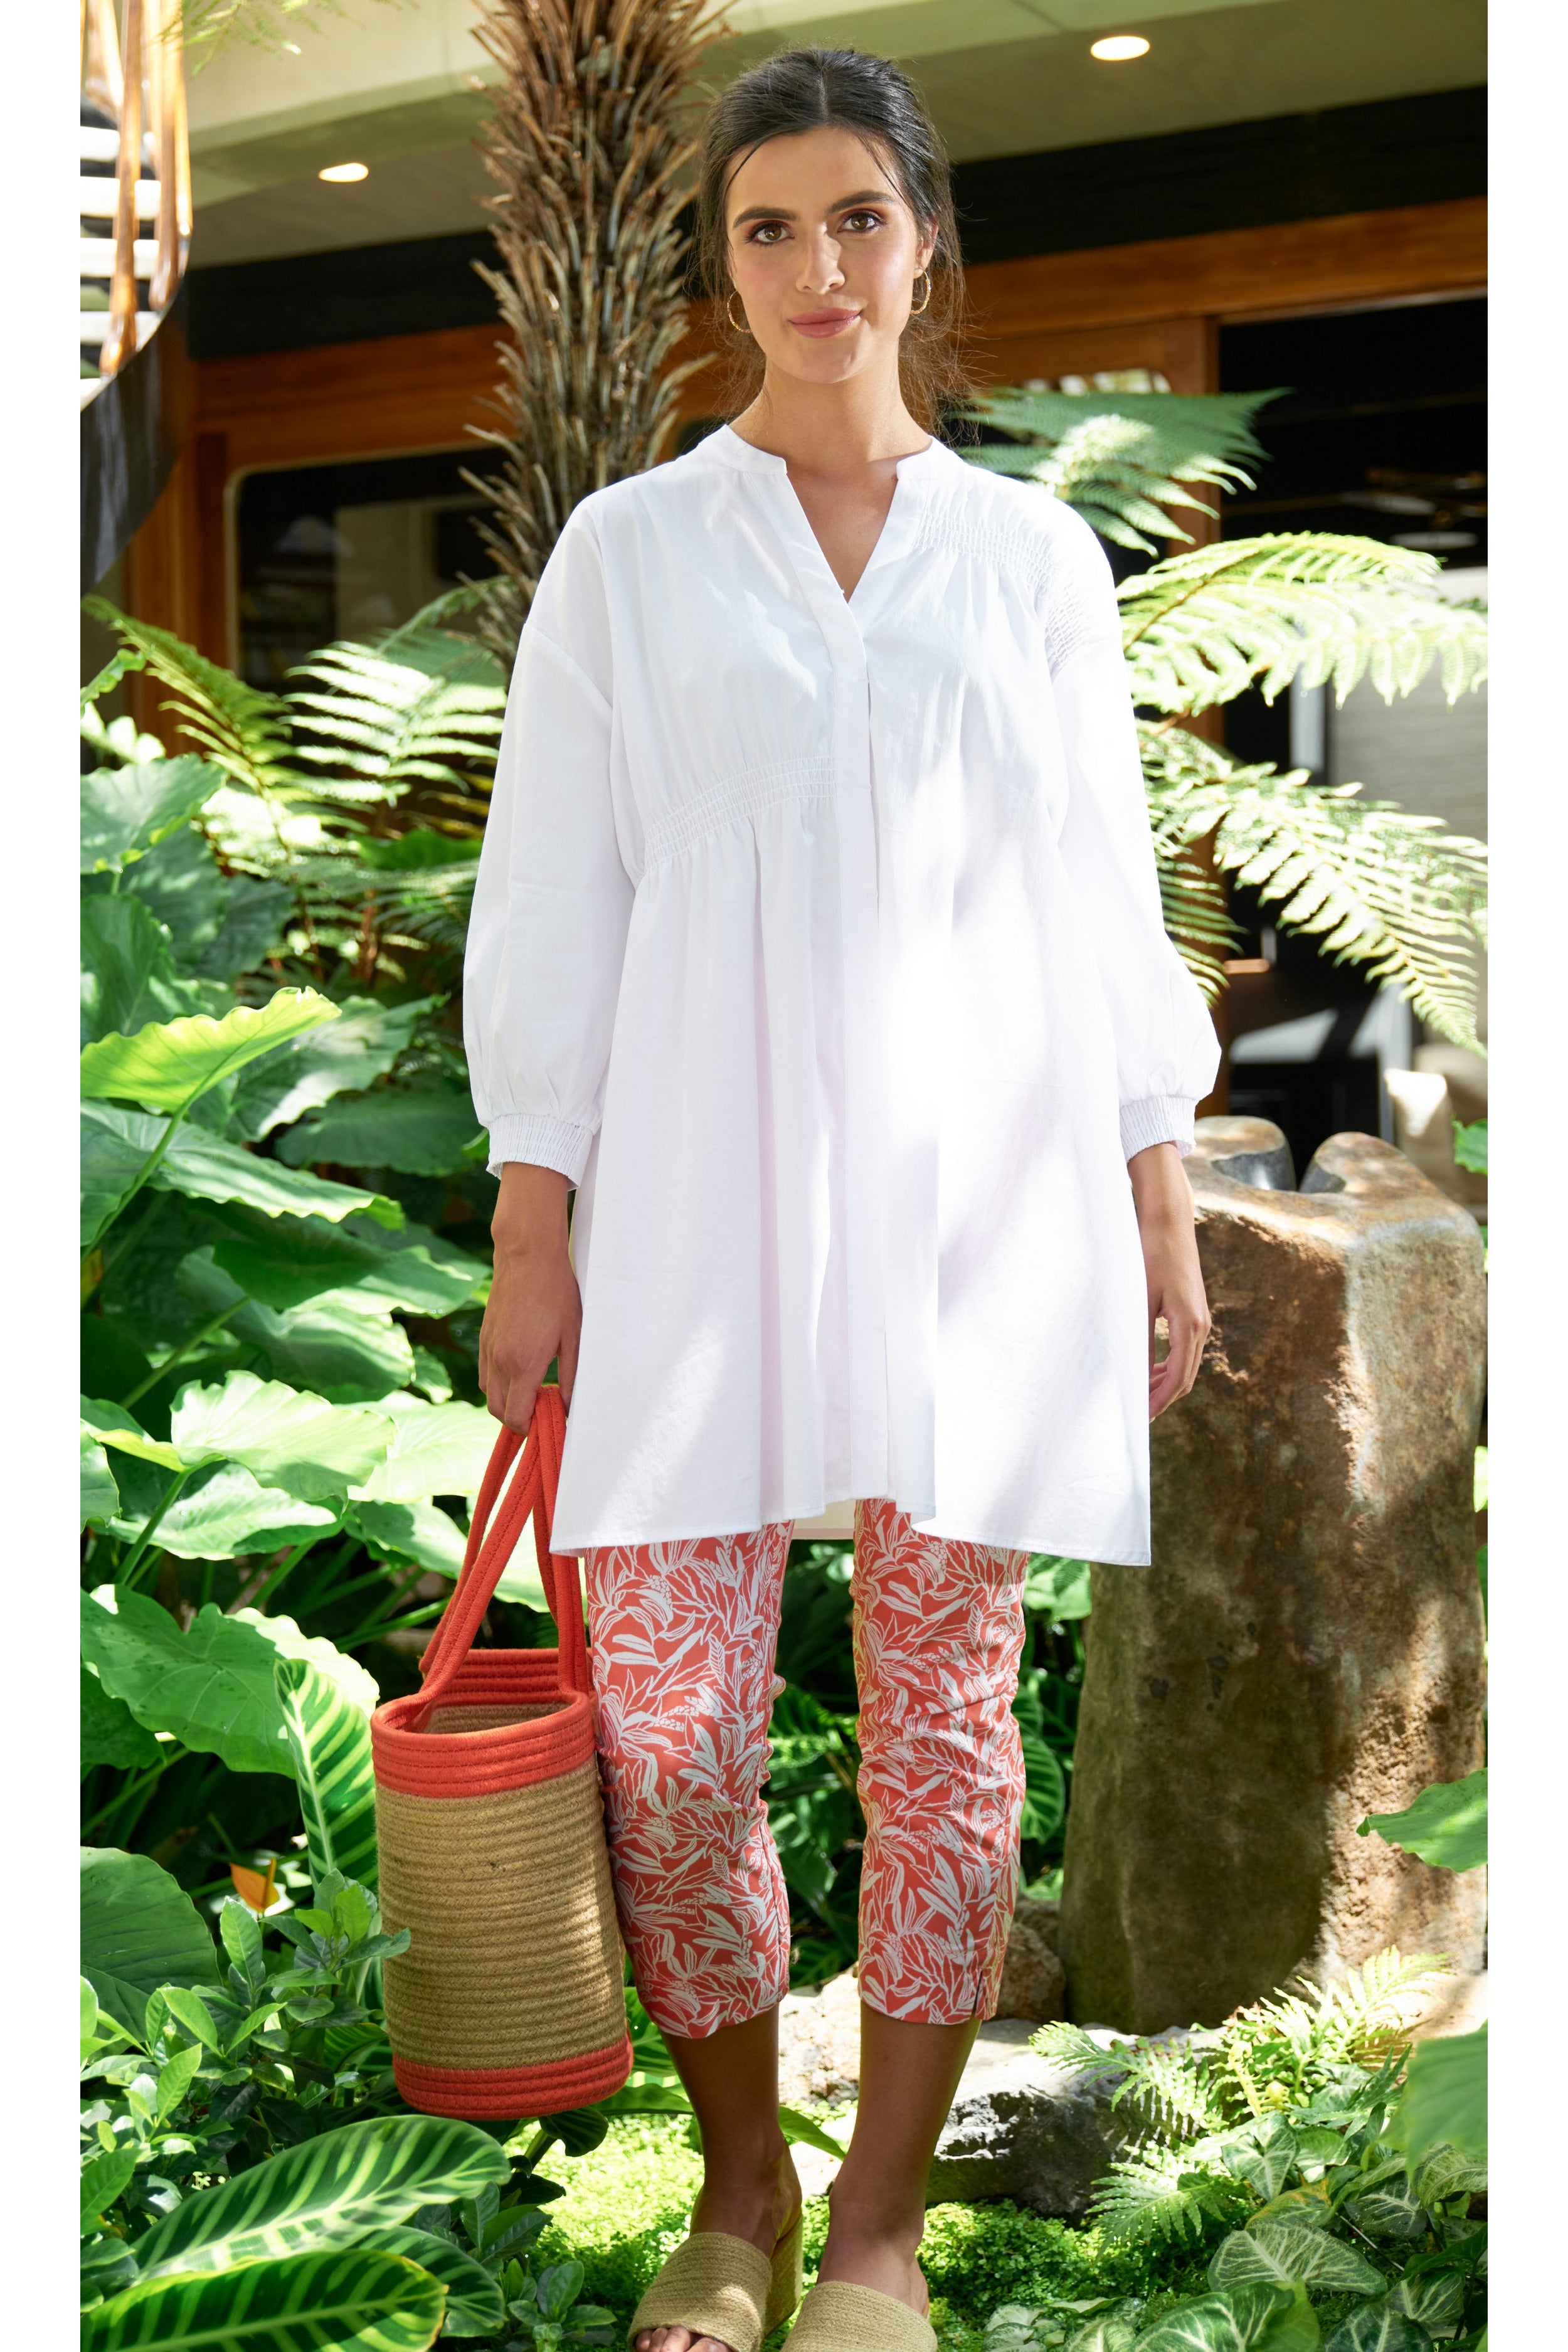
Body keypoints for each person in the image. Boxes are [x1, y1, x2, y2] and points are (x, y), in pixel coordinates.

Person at [466, 43, 1219, 2352]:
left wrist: (1156, 1194)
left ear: (925, 242)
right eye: (769, 227)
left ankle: (876, 2228)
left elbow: (1099, 892)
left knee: (948, 1724)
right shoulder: (628, 555)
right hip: (690, 1205)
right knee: (674, 1735)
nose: (818, 267)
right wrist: (532, 1214)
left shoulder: (1031, 559)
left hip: (982, 1208)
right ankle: (739, 2190)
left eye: (857, 218)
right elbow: (554, 893)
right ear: (724, 267)